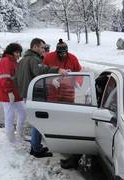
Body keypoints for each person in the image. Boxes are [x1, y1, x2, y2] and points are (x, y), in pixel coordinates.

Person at [15, 38, 68, 158]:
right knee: (38, 121)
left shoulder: (24, 59)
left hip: (27, 94)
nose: (43, 49)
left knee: (35, 120)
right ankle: (36, 149)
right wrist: (57, 69)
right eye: (42, 47)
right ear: (35, 47)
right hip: (34, 94)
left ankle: (36, 146)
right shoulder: (33, 59)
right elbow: (39, 71)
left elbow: (17, 78)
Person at [43, 39, 82, 169]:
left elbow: (79, 71)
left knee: (68, 117)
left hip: (69, 92)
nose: (63, 55)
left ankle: (66, 140)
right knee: (54, 117)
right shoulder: (49, 57)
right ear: (57, 51)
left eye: (65, 52)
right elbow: (43, 70)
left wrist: (78, 82)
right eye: (61, 53)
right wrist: (51, 78)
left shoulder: (73, 58)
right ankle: (54, 140)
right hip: (53, 92)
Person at [0, 43, 25, 143]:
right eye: (16, 52)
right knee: (10, 115)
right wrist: (9, 92)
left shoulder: (14, 62)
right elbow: (5, 78)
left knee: (22, 112)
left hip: (13, 92)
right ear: (11, 51)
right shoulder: (6, 61)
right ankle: (10, 139)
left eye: (19, 52)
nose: (18, 54)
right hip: (6, 92)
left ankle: (20, 134)